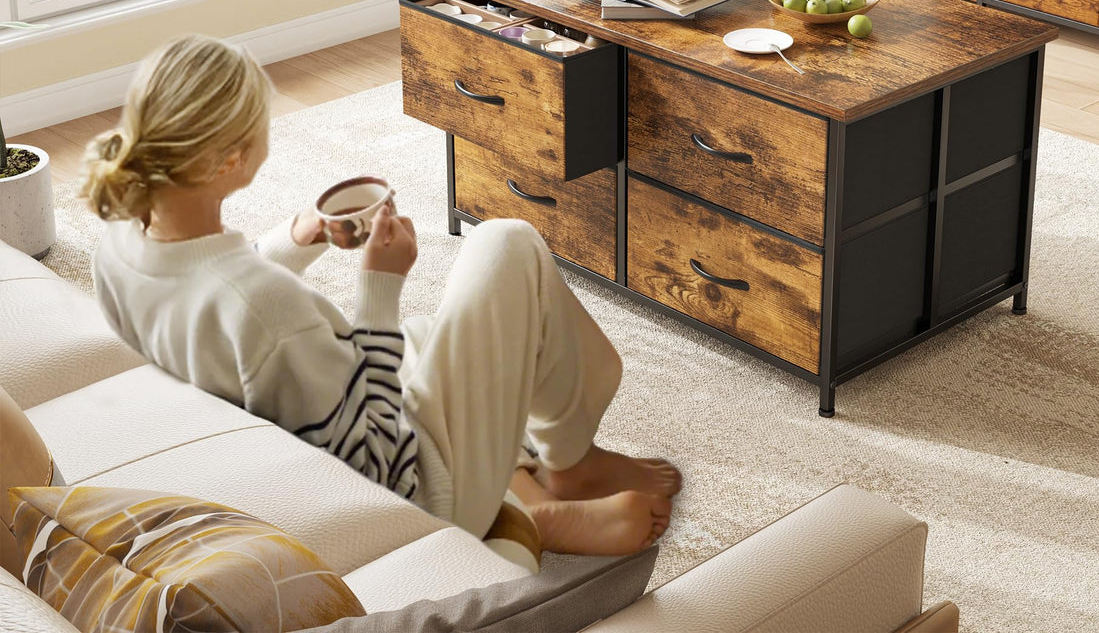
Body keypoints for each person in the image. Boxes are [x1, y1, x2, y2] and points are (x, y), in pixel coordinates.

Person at [83, 34, 679, 557]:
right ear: (232, 160)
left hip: (303, 447)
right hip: (420, 494)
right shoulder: (266, 309)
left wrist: (301, 233)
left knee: (429, 332)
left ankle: (527, 486)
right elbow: (377, 456)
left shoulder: (118, 249)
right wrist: (379, 286)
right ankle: (559, 474)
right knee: (506, 243)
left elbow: (215, 293)